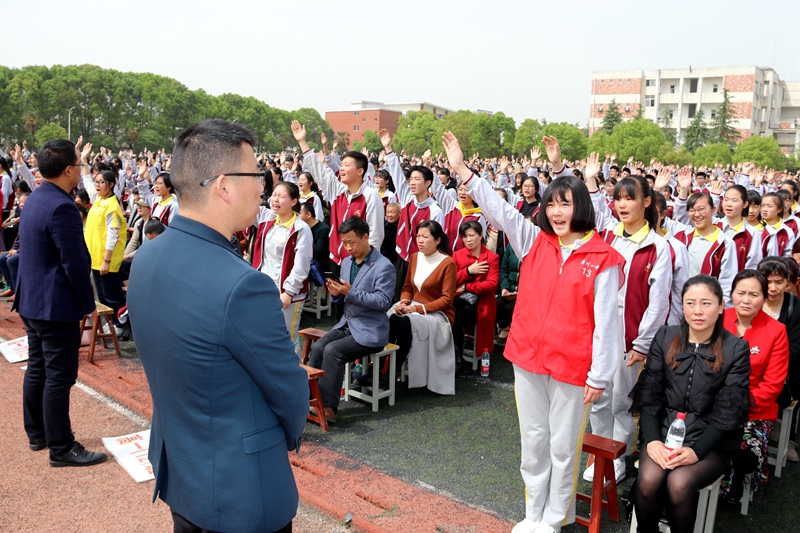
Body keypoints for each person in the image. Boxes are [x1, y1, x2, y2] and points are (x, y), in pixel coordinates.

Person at [127, 119, 308, 533]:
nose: (264, 187)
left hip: (182, 470)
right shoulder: (243, 284)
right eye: (257, 175)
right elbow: (290, 393)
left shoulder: (149, 257)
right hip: (239, 490)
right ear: (225, 186)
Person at [443, 132, 623, 533]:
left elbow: (608, 323)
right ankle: (533, 514)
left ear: (582, 207)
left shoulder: (604, 258)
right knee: (534, 442)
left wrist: (599, 374)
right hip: (528, 358)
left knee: (563, 446)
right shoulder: (535, 241)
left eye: (566, 203)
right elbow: (500, 210)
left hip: (573, 368)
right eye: (551, 204)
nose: (557, 212)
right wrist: (462, 170)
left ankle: (555, 519)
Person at [631, 275, 750, 533]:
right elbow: (650, 394)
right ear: (681, 305)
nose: (697, 311)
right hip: (664, 432)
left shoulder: (736, 348)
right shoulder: (665, 336)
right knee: (650, 479)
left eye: (706, 303)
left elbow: (728, 411)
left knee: (679, 483)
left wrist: (696, 450)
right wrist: (652, 440)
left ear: (721, 307)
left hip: (710, 442)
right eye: (690, 303)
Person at [582, 153, 673, 484]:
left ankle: (617, 457)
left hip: (629, 332)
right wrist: (592, 180)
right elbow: (594, 211)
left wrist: (643, 342)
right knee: (597, 393)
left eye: (629, 199)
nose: (622, 205)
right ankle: (598, 453)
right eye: (618, 198)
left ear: (646, 202)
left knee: (621, 399)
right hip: (598, 326)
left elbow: (658, 301)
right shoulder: (608, 235)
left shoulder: (658, 247)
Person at [15, 139, 106, 467]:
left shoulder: (37, 198)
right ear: (68, 170)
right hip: (55, 305)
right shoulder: (63, 207)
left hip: (32, 300)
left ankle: (37, 433)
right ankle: (61, 446)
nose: (82, 169)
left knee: (38, 367)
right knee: (59, 376)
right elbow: (74, 262)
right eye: (80, 164)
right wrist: (87, 303)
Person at [307, 217, 395, 423]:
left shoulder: (384, 266)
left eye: (351, 242)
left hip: (371, 329)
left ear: (366, 237)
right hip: (348, 323)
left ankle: (329, 407)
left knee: (333, 351)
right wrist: (337, 294)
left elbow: (383, 302)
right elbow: (345, 299)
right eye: (344, 243)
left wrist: (350, 292)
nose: (347, 248)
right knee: (319, 347)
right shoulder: (346, 262)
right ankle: (312, 398)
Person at [720, 270, 789, 503]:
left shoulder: (776, 331)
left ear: (764, 298)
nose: (746, 300)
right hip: (713, 403)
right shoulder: (717, 319)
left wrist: (738, 407)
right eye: (741, 293)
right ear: (732, 294)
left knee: (745, 454)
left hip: (754, 410)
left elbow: (773, 384)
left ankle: (738, 481)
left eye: (753, 294)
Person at [292, 120, 383, 267]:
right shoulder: (338, 191)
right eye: (341, 165)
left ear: (360, 171)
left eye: (346, 166)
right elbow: (319, 171)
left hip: (358, 263)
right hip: (335, 259)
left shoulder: (371, 196)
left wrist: (368, 265)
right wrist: (302, 142)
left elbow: (375, 234)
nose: (341, 169)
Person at [389, 220, 457, 395]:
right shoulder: (414, 257)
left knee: (405, 323)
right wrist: (404, 302)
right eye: (418, 236)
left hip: (438, 314)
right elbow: (407, 288)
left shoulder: (447, 263)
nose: (420, 240)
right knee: (394, 316)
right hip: (414, 307)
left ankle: (390, 372)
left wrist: (417, 309)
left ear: (438, 240)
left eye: (425, 237)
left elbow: (446, 300)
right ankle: (381, 367)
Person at [250, 181, 313, 357]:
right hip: (264, 289)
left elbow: (302, 265)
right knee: (263, 335)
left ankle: (295, 381)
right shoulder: (267, 218)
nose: (275, 200)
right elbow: (250, 203)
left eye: (281, 196)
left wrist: (289, 291)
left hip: (286, 294)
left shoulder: (301, 229)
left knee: (287, 339)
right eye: (274, 195)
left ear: (294, 201)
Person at [759, 257, 800, 462]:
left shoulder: (795, 308)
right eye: (768, 281)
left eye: (779, 281)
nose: (773, 288)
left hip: (781, 380)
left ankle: (759, 445)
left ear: (788, 282)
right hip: (745, 375)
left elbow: (794, 351)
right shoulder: (750, 300)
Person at [81, 157, 128, 323]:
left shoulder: (112, 206)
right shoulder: (99, 200)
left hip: (106, 258)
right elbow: (87, 181)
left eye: (102, 182)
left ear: (111, 185)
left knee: (111, 294)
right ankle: (109, 322)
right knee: (101, 294)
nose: (97, 185)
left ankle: (119, 323)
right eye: (97, 182)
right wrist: (83, 160)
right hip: (95, 257)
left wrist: (106, 260)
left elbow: (112, 235)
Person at [452, 220, 499, 371]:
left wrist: (467, 285)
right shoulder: (458, 255)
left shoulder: (491, 257)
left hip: (481, 304)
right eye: (464, 236)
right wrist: (468, 271)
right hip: (459, 298)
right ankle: (455, 354)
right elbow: (450, 280)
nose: (468, 240)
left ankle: (456, 355)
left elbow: (492, 284)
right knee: (452, 310)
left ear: (480, 235)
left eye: (472, 235)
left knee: (455, 314)